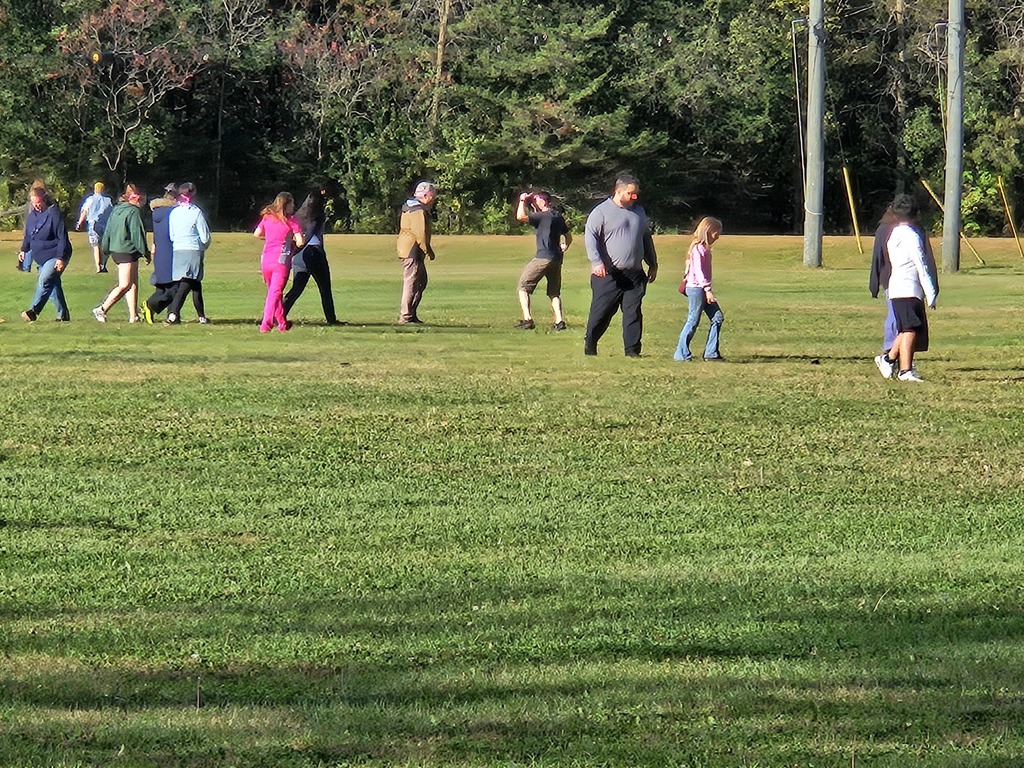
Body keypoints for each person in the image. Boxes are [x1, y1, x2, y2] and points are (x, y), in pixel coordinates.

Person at [583, 174, 658, 356]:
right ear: (618, 191)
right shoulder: (601, 212)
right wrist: (597, 262)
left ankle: (632, 351)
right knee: (602, 313)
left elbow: (645, 238)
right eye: (631, 194)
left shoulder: (639, 212)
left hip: (635, 273)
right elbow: (590, 238)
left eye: (636, 194)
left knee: (633, 313)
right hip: (609, 274)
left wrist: (652, 263)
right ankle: (590, 344)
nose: (635, 197)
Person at [872, 194, 938, 382]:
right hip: (909, 288)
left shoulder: (893, 234)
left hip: (896, 287)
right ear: (916, 214)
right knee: (910, 330)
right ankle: (905, 371)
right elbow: (921, 264)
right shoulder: (911, 235)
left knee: (906, 329)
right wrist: (931, 292)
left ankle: (888, 358)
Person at [514, 190, 572, 330]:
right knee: (554, 292)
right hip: (557, 258)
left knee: (523, 286)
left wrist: (522, 200)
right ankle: (559, 321)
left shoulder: (541, 216)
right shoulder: (557, 216)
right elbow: (568, 235)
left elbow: (520, 216)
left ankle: (528, 319)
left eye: (536, 199)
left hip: (542, 257)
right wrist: (565, 245)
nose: (535, 201)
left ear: (544, 201)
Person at [93, 183, 150, 323]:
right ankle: (102, 309)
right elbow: (137, 233)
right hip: (126, 250)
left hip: (117, 250)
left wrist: (105, 250)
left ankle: (133, 316)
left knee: (133, 282)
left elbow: (108, 231)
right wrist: (146, 252)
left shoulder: (116, 210)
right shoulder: (133, 211)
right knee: (125, 284)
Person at [283, 188, 338, 324]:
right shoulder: (317, 215)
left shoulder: (298, 215)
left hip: (300, 255)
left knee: (296, 288)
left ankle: (279, 315)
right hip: (314, 253)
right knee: (325, 288)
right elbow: (311, 233)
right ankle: (331, 319)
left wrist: (295, 251)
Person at [674, 216, 725, 361]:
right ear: (709, 231)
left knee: (717, 317)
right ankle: (681, 353)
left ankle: (711, 353)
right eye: (717, 232)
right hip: (697, 288)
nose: (718, 236)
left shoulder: (704, 249)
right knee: (693, 319)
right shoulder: (698, 249)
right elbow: (699, 272)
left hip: (702, 288)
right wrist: (707, 290)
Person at [18, 186, 72, 322]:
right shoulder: (32, 216)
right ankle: (63, 315)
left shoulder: (54, 214)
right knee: (53, 286)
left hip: (56, 254)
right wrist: (24, 250)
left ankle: (34, 311)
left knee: (44, 280)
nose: (36, 206)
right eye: (33, 203)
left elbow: (62, 238)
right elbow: (29, 236)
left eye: (38, 203)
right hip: (40, 257)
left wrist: (60, 258)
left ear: (44, 200)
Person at [254, 192, 304, 332]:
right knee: (274, 293)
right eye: (292, 204)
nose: (293, 207)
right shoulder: (291, 221)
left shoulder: (267, 217)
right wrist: (292, 240)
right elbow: (300, 242)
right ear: (287, 204)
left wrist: (270, 238)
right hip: (281, 261)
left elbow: (257, 234)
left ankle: (282, 323)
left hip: (266, 259)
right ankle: (266, 323)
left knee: (274, 292)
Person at [166, 182, 212, 325]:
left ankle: (202, 316)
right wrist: (202, 246)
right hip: (192, 250)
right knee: (187, 283)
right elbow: (205, 237)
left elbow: (172, 235)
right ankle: (173, 313)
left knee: (195, 284)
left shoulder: (174, 212)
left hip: (178, 249)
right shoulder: (196, 212)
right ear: (193, 193)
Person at [396, 181, 437, 324]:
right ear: (426, 195)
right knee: (412, 282)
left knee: (420, 281)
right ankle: (406, 316)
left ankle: (410, 314)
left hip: (409, 249)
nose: (434, 199)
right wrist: (428, 250)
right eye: (433, 195)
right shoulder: (417, 210)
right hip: (411, 250)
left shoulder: (412, 207)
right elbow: (420, 233)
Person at [142, 183, 178, 323]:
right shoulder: (173, 212)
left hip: (159, 250)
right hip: (171, 249)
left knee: (162, 286)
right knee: (175, 286)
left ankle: (171, 315)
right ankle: (151, 305)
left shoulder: (156, 211)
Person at [77, 181, 114, 273]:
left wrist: (80, 223)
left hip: (93, 224)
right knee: (104, 246)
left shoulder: (90, 199)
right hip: (105, 225)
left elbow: (85, 211)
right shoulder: (108, 200)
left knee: (96, 246)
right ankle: (103, 265)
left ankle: (98, 267)